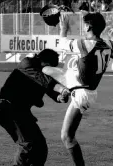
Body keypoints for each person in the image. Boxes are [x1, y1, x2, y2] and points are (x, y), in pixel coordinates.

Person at [42, 12, 113, 165]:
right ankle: (61, 92)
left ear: (88, 26)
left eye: (85, 24)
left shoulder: (85, 44)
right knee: (45, 69)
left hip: (82, 91)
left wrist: (63, 28)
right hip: (83, 88)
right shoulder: (108, 45)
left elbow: (61, 43)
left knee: (66, 136)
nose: (83, 26)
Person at [0, 49, 70, 166]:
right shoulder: (27, 63)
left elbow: (49, 88)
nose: (49, 71)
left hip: (21, 112)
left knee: (40, 147)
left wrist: (60, 97)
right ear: (43, 61)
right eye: (49, 67)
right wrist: (63, 89)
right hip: (8, 110)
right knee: (27, 144)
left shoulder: (42, 72)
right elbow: (45, 80)